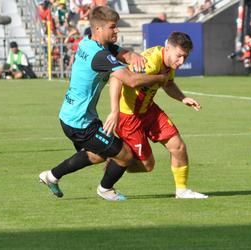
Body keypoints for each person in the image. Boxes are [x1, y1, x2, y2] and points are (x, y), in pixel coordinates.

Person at [39, 6, 169, 201]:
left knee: (98, 154)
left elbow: (117, 51)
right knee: (125, 155)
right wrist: (160, 78)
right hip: (80, 123)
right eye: (113, 27)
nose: (117, 30)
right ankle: (105, 189)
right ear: (99, 29)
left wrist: (133, 55)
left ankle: (51, 176)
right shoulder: (100, 56)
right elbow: (131, 80)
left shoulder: (88, 43)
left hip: (72, 116)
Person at [108, 32, 208, 199]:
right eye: (179, 56)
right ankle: (116, 159)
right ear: (168, 48)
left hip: (149, 110)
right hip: (129, 116)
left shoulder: (169, 63)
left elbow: (168, 84)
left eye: (185, 57)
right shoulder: (150, 62)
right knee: (148, 165)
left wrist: (183, 98)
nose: (181, 61)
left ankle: (182, 191)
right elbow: (117, 77)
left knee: (178, 146)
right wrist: (114, 110)